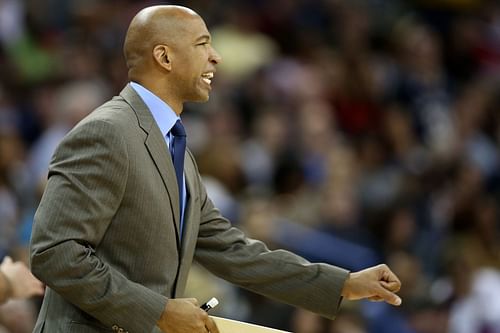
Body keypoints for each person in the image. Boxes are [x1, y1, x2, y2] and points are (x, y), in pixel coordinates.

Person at [29, 5, 402, 333]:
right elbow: (55, 252)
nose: (216, 57)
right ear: (164, 56)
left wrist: (341, 284)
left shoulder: (175, 146)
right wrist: (159, 312)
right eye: (202, 44)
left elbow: (233, 251)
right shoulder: (107, 132)